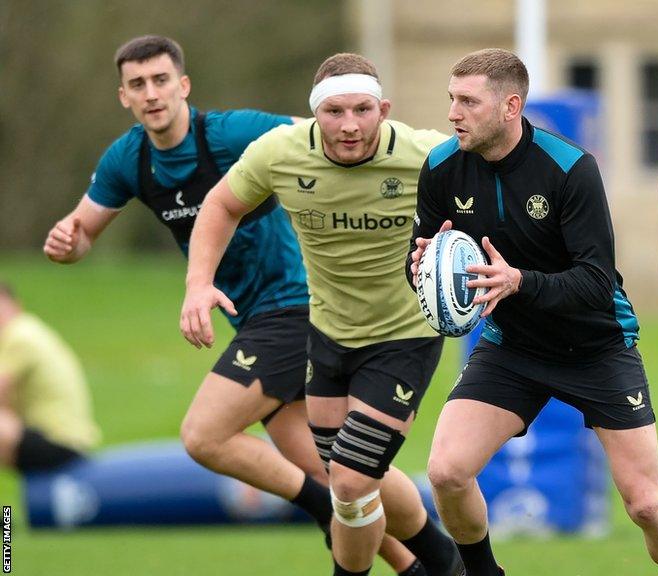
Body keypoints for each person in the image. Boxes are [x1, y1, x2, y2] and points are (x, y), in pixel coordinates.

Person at [42, 36, 421, 575]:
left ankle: (322, 512)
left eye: (161, 80)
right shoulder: (129, 158)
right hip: (250, 320)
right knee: (343, 474)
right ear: (123, 96)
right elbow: (82, 235)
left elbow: (317, 132)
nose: (151, 94)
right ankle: (430, 563)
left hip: (294, 308)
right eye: (138, 85)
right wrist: (67, 244)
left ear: (183, 86)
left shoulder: (230, 132)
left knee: (204, 436)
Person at [408, 48, 658, 576]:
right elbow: (424, 258)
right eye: (451, 99)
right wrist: (422, 270)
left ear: (510, 106)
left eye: (468, 102)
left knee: (646, 505)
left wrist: (518, 281)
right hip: (513, 348)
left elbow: (595, 283)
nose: (453, 113)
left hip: (597, 347)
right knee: (447, 472)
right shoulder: (440, 169)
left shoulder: (570, 168)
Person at [180, 52, 463, 576]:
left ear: (384, 109)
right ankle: (442, 561)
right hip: (328, 335)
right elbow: (221, 206)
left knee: (353, 482)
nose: (350, 126)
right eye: (334, 112)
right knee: (347, 481)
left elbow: (492, 201)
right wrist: (199, 284)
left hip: (404, 337)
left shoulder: (428, 155)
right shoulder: (280, 153)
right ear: (314, 114)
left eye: (362, 110)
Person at [0, 282, 100, 473]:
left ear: (16, 306)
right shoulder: (30, 329)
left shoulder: (18, 335)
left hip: (58, 444)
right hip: (70, 441)